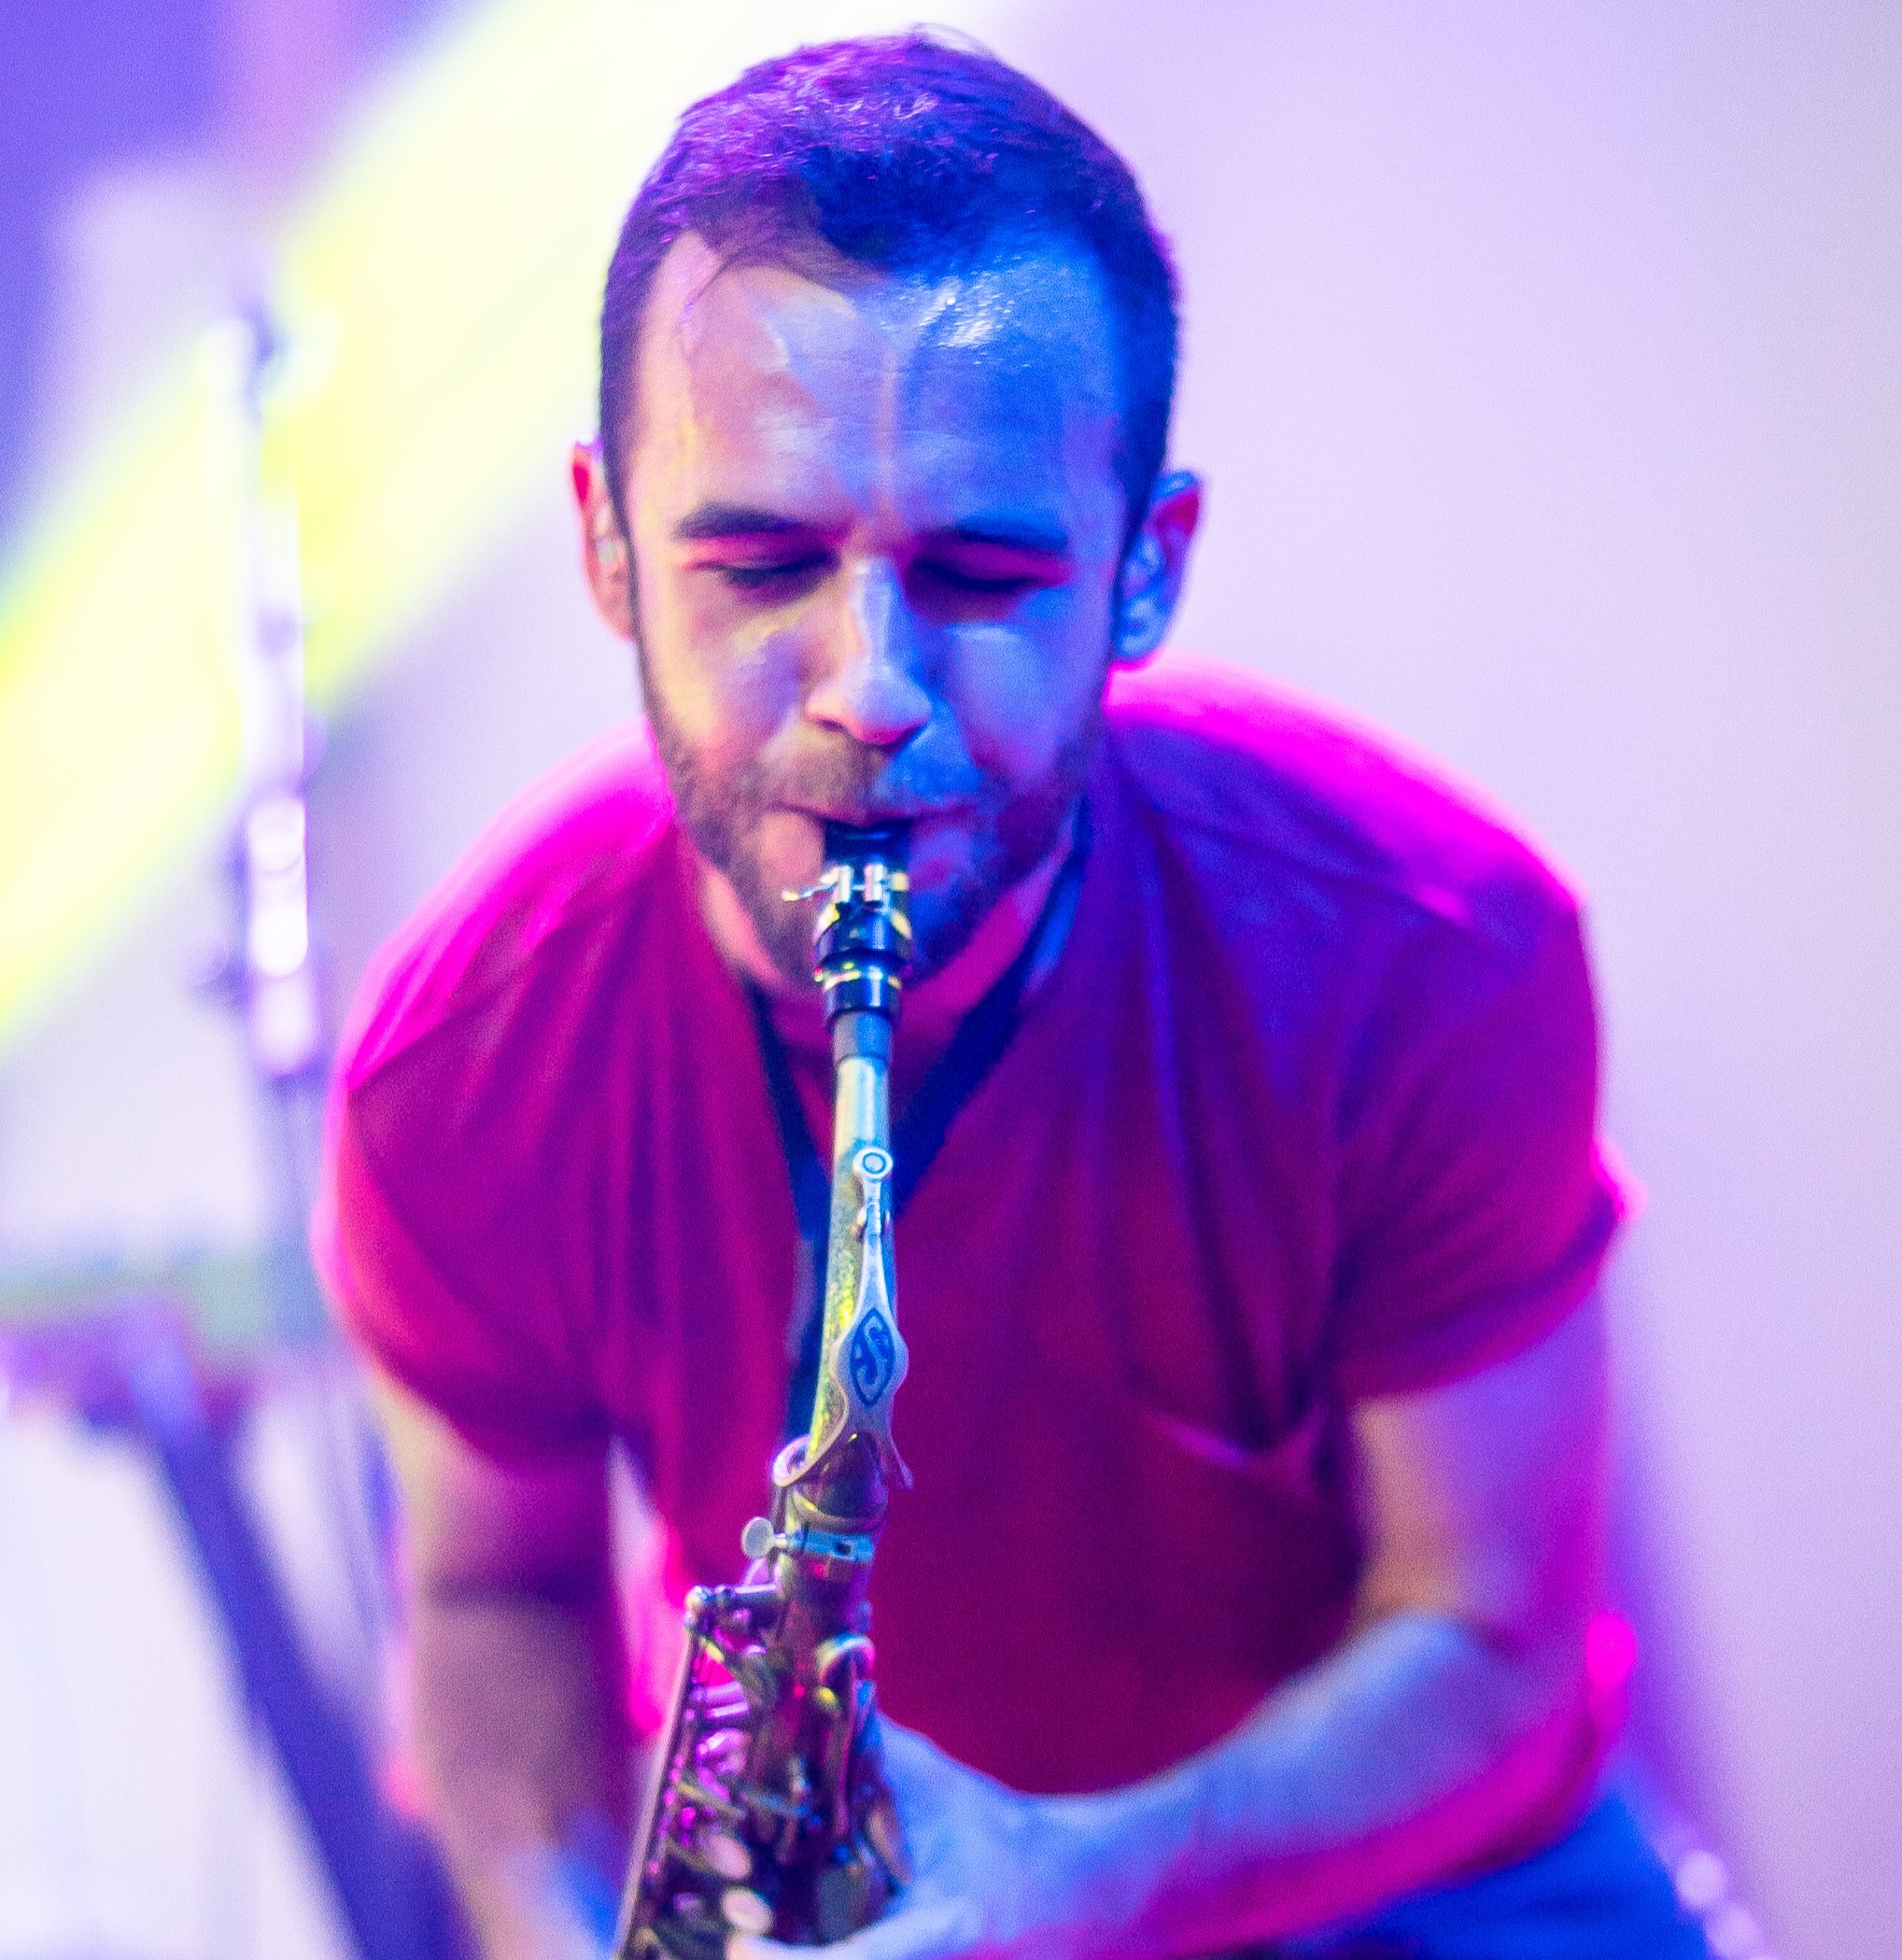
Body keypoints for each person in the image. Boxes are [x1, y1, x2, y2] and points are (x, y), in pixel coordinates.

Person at [315, 33, 1711, 1960]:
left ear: (1146, 570)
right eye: (761, 564)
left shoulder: (1429, 953)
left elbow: (1493, 1645)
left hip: (1420, 1887)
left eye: (976, 573)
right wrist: (554, 1926)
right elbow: (488, 1604)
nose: (870, 690)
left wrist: (1089, 1882)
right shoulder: (459, 1073)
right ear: (607, 547)